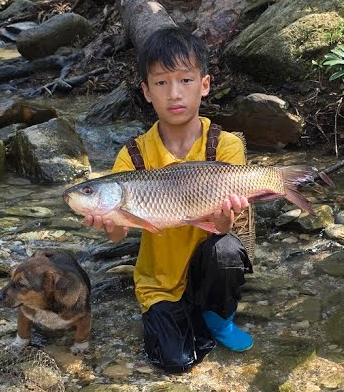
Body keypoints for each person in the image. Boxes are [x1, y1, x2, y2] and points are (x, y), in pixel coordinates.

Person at [84, 26, 254, 373]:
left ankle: (218, 315)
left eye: (185, 81)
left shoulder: (226, 145)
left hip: (207, 261)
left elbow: (226, 227)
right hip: (158, 279)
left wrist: (225, 218)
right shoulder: (134, 154)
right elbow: (118, 234)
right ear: (146, 92)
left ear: (204, 85)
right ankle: (180, 312)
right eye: (161, 83)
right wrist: (106, 222)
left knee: (227, 250)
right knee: (175, 362)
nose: (174, 93)